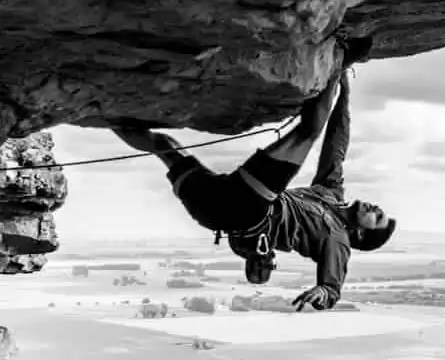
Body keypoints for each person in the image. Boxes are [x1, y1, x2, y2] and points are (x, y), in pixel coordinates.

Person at [111, 69, 395, 311]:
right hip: (217, 206)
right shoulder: (330, 193)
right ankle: (107, 110)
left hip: (248, 208)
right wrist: (344, 95)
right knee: (163, 145)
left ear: (361, 234)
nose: (378, 209)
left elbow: (332, 286)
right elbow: (336, 145)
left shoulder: (338, 238)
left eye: (378, 219)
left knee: (306, 132)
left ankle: (339, 60)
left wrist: (325, 292)